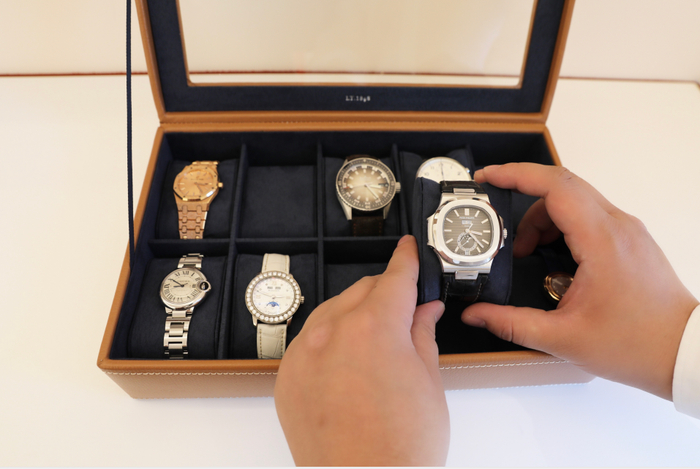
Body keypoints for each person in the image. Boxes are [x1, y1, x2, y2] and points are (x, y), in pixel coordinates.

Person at [274, 163, 700, 466]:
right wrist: (674, 338)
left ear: (500, 233)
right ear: (434, 227)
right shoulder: (455, 228)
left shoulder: (483, 237)